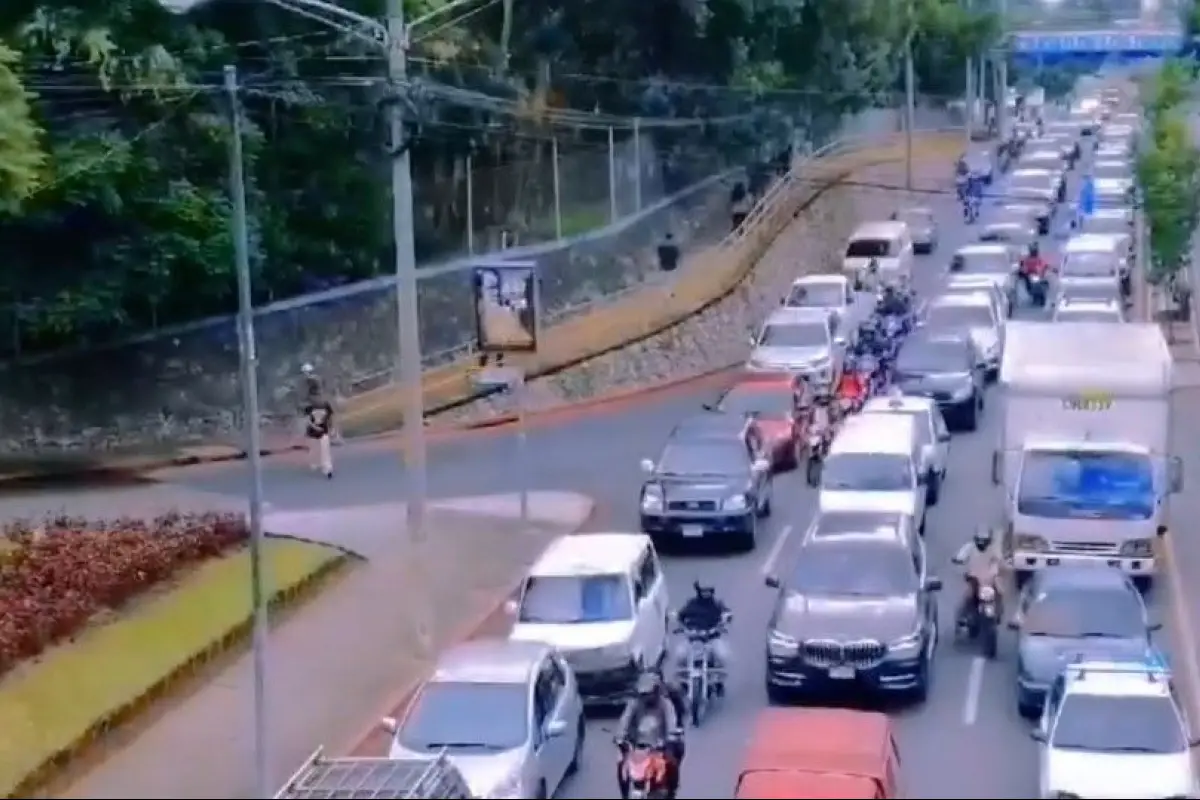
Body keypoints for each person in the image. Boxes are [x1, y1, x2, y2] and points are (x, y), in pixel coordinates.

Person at [616, 672, 686, 798]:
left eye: (649, 694)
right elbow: (624, 721)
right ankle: (624, 795)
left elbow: (672, 722)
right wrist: (620, 738)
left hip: (659, 747)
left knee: (672, 763)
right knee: (621, 764)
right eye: (643, 694)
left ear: (656, 691)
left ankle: (672, 791)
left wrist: (670, 738)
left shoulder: (665, 704)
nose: (646, 697)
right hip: (637, 748)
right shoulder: (634, 704)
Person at [673, 582, 731, 691]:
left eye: (708, 591)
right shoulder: (691, 604)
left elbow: (726, 614)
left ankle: (718, 681)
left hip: (711, 639)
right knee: (680, 655)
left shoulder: (717, 604)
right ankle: (684, 681)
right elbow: (680, 616)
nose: (706, 594)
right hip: (692, 639)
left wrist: (724, 620)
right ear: (698, 591)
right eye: (703, 591)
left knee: (722, 655)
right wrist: (681, 626)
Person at [957, 526, 1005, 625]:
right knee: (969, 593)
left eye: (985, 541)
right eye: (980, 540)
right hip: (973, 577)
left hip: (990, 578)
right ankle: (964, 615)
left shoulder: (993, 549)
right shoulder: (970, 547)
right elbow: (961, 555)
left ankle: (998, 612)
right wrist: (958, 559)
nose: (982, 543)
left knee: (1000, 591)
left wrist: (1001, 566)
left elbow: (1000, 559)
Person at [301, 369, 335, 479]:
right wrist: (314, 426)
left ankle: (327, 468)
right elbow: (307, 420)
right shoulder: (309, 406)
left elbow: (330, 417)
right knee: (314, 450)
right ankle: (315, 463)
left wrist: (332, 428)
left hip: (322, 431)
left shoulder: (325, 404)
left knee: (325, 449)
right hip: (313, 432)